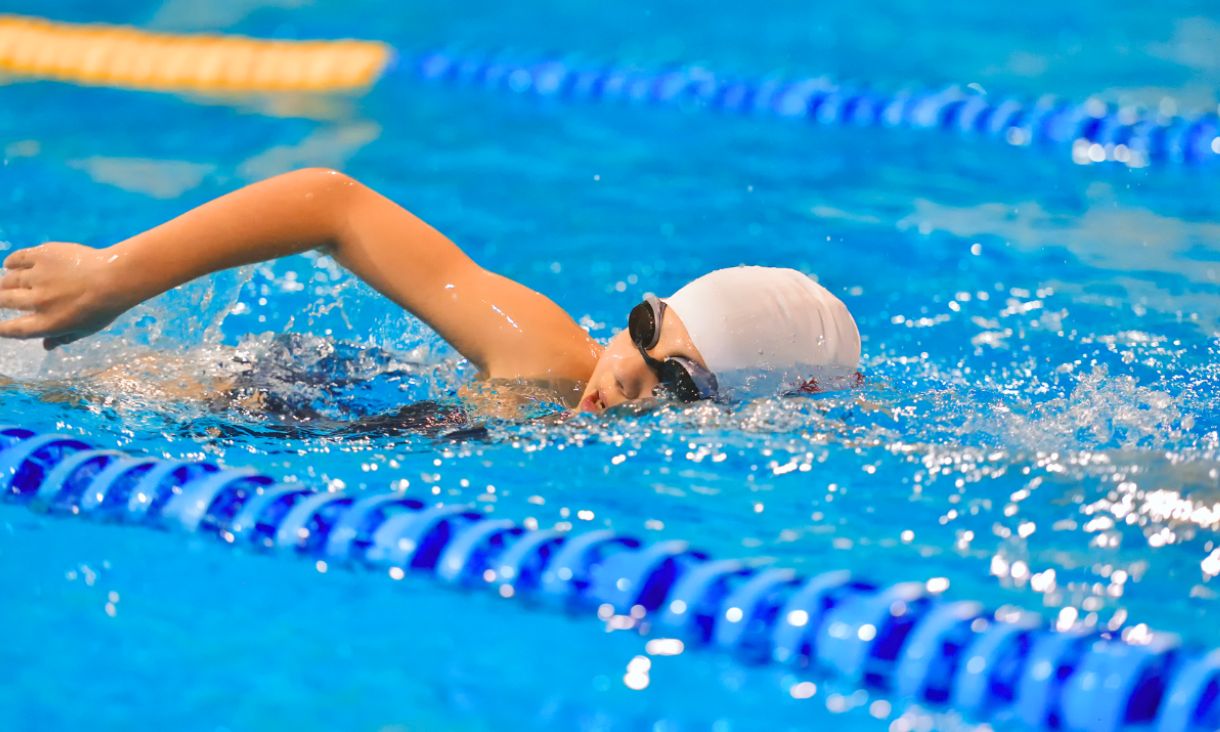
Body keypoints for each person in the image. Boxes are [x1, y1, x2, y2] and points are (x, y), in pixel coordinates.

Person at [0, 168, 861, 415]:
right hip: (298, 388)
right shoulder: (538, 350)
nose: (633, 369)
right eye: (644, 327)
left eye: (678, 380)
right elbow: (334, 206)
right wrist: (117, 275)